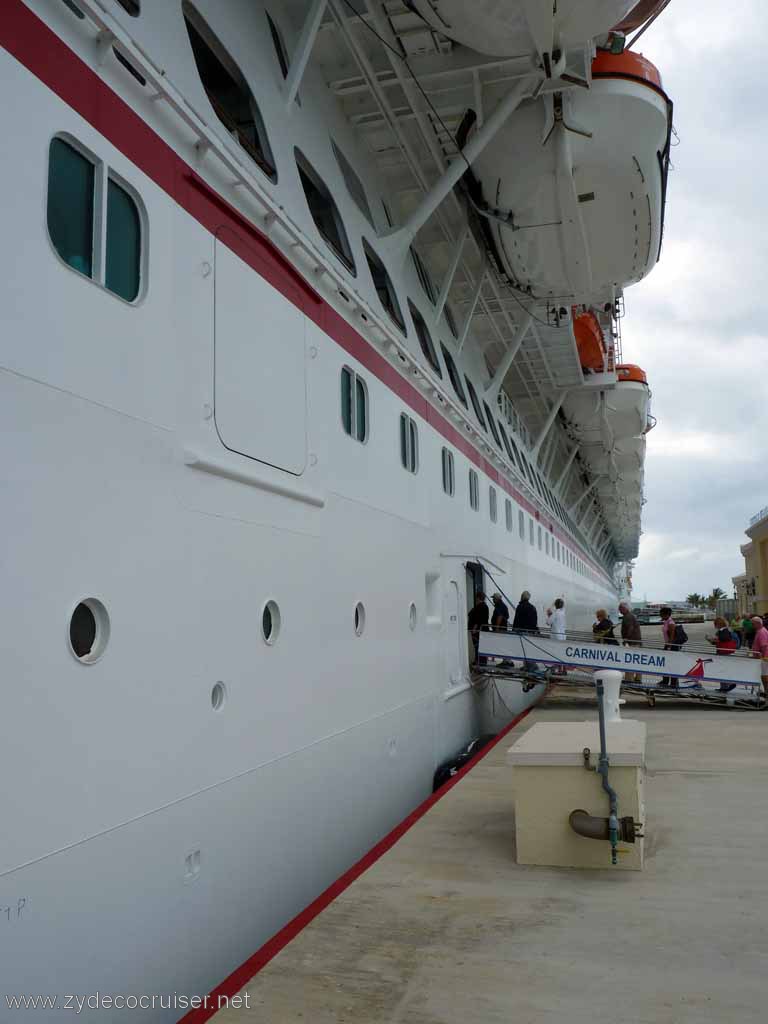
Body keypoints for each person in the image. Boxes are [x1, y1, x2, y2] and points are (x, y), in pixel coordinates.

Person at [707, 616, 737, 692]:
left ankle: (729, 684)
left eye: (715, 623)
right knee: (722, 669)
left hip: (723, 653)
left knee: (723, 669)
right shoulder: (723, 630)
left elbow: (724, 639)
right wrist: (712, 640)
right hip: (723, 652)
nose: (714, 625)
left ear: (719, 624)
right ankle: (724, 687)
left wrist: (715, 639)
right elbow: (722, 640)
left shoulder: (724, 631)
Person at [619, 601, 642, 682]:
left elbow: (630, 628)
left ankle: (629, 679)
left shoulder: (627, 617)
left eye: (620, 609)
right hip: (637, 641)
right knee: (637, 661)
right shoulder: (631, 616)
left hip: (632, 642)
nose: (619, 611)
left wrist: (626, 639)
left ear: (625, 608)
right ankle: (638, 678)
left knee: (630, 661)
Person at [467, 591, 489, 666]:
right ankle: (479, 661)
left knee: (478, 646)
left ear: (478, 598)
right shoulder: (483, 606)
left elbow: (478, 620)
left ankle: (480, 662)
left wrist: (474, 629)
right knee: (480, 646)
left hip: (478, 630)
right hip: (481, 630)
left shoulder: (480, 607)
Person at [546, 598, 567, 674]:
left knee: (556, 653)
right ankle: (564, 669)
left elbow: (548, 622)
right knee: (562, 653)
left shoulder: (555, 613)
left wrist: (549, 615)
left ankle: (559, 670)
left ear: (556, 605)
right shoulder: (563, 612)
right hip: (563, 636)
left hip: (556, 637)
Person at [659, 605, 679, 687]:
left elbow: (672, 636)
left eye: (661, 614)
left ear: (666, 614)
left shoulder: (671, 623)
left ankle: (673, 683)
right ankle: (665, 681)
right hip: (667, 645)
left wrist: (669, 647)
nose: (660, 616)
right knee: (666, 664)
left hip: (671, 646)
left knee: (672, 665)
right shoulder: (666, 622)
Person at [750, 616, 768, 700]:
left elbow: (764, 645)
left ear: (758, 623)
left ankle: (766, 692)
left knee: (765, 676)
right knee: (764, 676)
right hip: (763, 657)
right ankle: (765, 691)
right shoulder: (760, 631)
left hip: (765, 657)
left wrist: (763, 657)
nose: (752, 625)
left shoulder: (762, 632)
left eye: (753, 624)